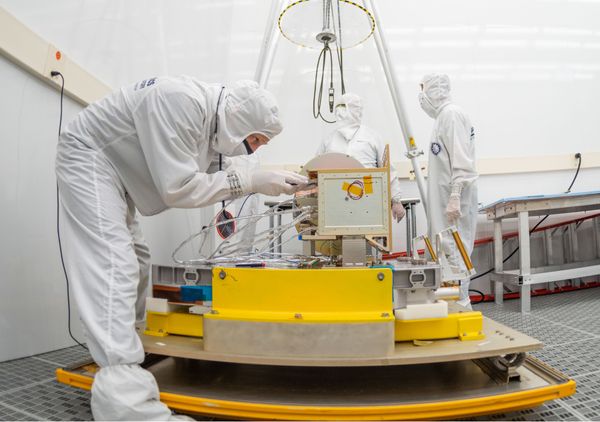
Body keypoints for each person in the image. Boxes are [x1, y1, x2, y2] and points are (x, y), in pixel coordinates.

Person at [55, 77, 308, 420]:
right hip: (89, 157)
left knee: (138, 258)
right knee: (114, 263)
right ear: (241, 122)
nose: (256, 148)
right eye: (257, 139)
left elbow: (223, 174)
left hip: (117, 175)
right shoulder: (181, 101)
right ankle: (125, 400)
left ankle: (132, 352)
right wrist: (252, 180)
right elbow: (178, 189)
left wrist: (264, 178)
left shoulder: (211, 123)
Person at [419, 73, 478, 309]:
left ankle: (461, 309)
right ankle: (451, 308)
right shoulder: (443, 117)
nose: (420, 97)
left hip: (453, 204)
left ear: (434, 90)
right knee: (447, 253)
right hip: (444, 203)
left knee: (455, 253)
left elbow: (461, 161)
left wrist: (455, 195)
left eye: (422, 90)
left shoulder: (451, 114)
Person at [316, 93, 406, 223]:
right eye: (339, 107)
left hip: (368, 198)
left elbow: (388, 170)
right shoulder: (329, 139)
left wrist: (396, 200)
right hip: (335, 202)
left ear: (355, 110)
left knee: (366, 239)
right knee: (339, 239)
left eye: (344, 107)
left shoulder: (372, 137)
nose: (340, 112)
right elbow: (315, 168)